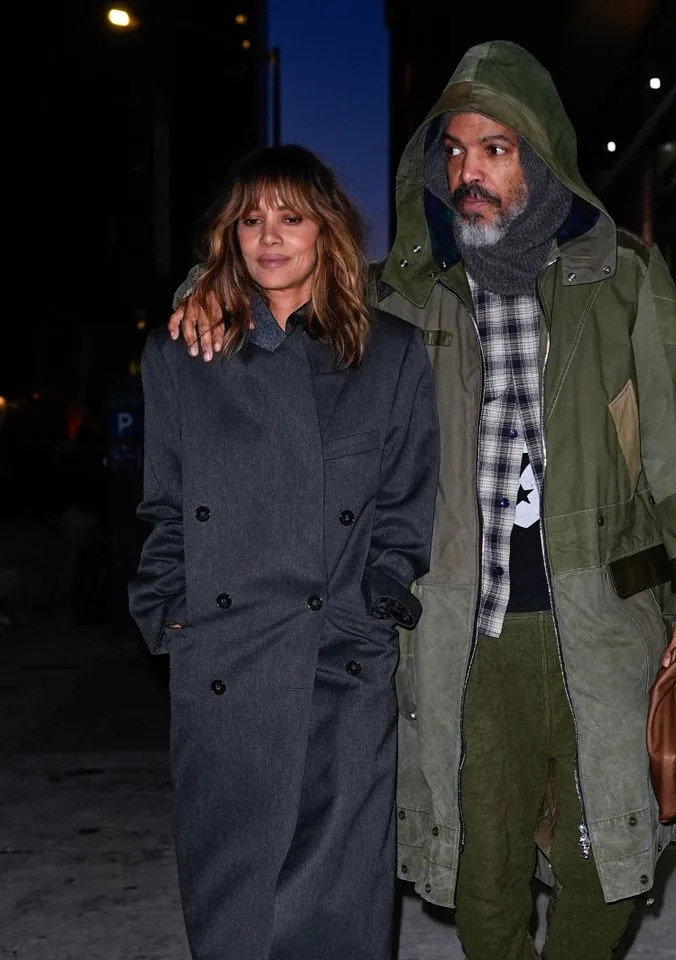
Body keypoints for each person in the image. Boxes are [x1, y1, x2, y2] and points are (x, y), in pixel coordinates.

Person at [169, 41, 676, 960]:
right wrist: (204, 293)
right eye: (455, 152)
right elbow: (285, 284)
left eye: (495, 150)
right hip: (457, 627)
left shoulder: (622, 279)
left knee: (611, 848)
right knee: (480, 863)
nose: (468, 171)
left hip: (604, 618)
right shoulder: (401, 297)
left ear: (540, 156)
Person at [130, 144, 438, 960]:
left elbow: (405, 513)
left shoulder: (392, 356)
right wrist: (169, 617)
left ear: (324, 232)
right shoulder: (183, 355)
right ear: (227, 238)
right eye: (249, 220)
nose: (269, 236)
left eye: (289, 217)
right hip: (225, 667)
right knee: (236, 911)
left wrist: (374, 607)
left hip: (340, 662)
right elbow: (161, 506)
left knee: (337, 910)